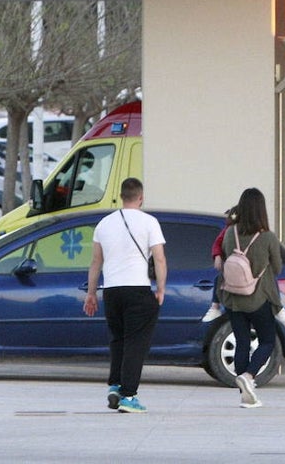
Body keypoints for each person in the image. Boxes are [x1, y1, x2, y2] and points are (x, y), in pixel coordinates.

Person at [84, 177, 167, 414]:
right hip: (138, 288)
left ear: (122, 196)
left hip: (111, 291)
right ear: (140, 197)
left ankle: (115, 385)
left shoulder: (104, 224)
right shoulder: (149, 222)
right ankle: (129, 396)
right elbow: (159, 259)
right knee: (135, 343)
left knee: (117, 339)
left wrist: (91, 294)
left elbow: (95, 262)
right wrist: (160, 288)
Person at [218, 187, 282, 409]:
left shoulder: (230, 233)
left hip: (233, 298)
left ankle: (246, 393)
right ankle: (249, 376)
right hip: (258, 298)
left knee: (242, 342)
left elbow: (224, 261)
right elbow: (278, 267)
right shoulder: (267, 238)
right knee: (267, 340)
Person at [201, 206, 237, 323]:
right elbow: (217, 243)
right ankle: (215, 306)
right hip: (230, 267)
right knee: (219, 279)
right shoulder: (227, 231)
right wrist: (217, 256)